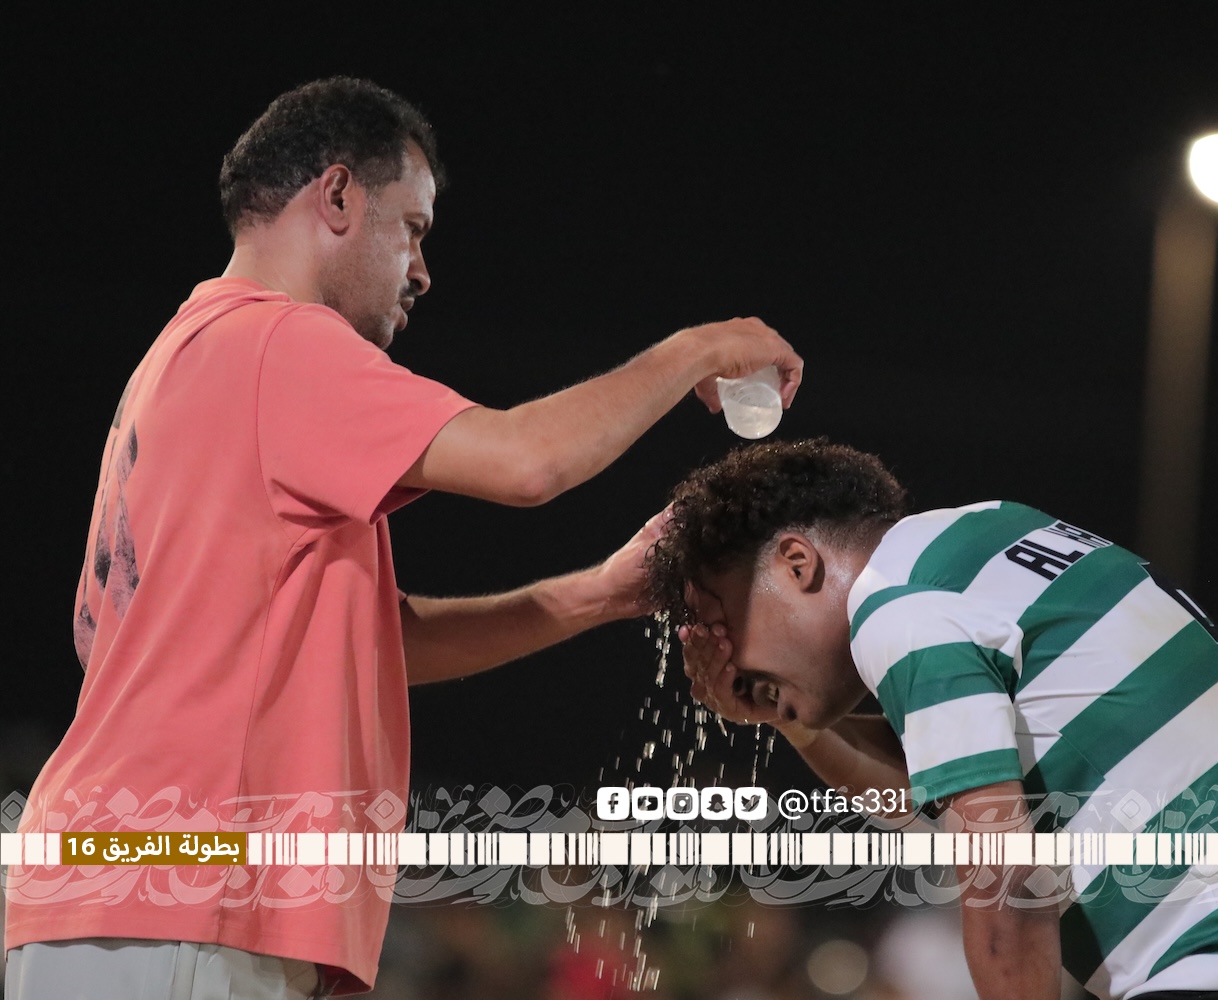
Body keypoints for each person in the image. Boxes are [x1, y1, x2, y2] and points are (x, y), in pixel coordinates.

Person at [3, 77, 802, 998]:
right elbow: (528, 462)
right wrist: (698, 348)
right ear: (338, 195)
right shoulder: (275, 343)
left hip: (135, 892)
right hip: (179, 895)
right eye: (413, 230)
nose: (422, 271)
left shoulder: (190, 356)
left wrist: (596, 595)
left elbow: (382, 642)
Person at [647, 438, 1218, 1000]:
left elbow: (1005, 875)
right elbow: (930, 811)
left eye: (720, 620)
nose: (720, 655)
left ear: (797, 562)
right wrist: (790, 718)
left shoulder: (900, 613)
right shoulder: (988, 536)